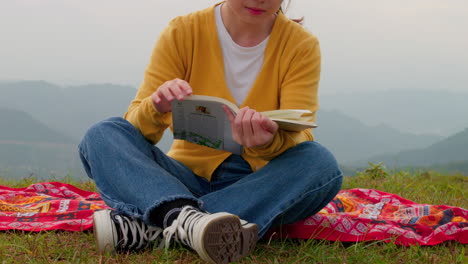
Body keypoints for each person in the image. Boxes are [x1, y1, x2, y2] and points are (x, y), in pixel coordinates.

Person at [78, 0, 343, 263]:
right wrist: (156, 106)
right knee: (103, 134)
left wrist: (268, 142)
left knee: (321, 165)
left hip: (257, 183)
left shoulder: (300, 44)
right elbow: (134, 130)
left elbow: (303, 133)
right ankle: (190, 220)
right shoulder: (183, 31)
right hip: (181, 179)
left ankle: (162, 223)